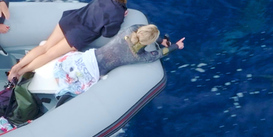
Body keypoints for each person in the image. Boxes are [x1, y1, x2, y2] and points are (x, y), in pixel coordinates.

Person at [8, 0, 160, 81]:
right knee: (49, 55)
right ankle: (20, 72)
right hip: (78, 34)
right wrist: (122, 15)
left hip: (70, 20)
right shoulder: (117, 14)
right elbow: (108, 33)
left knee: (45, 47)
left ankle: (16, 66)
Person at [52, 23, 185, 98]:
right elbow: (160, 53)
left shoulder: (130, 30)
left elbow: (142, 30)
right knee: (74, 90)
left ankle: (63, 78)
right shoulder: (139, 55)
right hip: (92, 73)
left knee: (65, 66)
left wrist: (161, 39)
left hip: (85, 58)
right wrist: (176, 46)